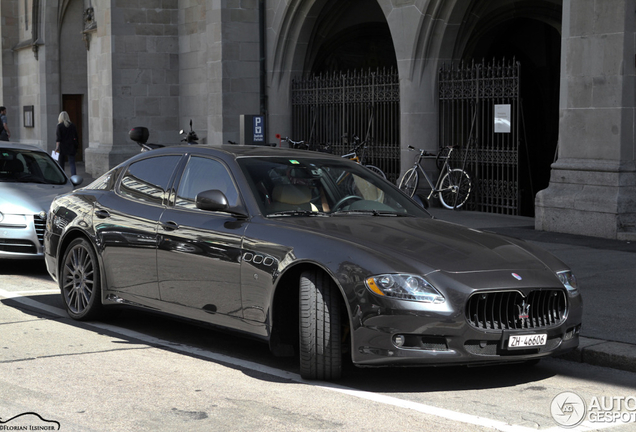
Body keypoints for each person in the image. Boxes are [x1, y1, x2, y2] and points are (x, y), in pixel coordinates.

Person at [55, 111, 79, 176]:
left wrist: (56, 148)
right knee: (72, 163)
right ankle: (74, 177)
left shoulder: (59, 126)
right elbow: (76, 136)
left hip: (62, 147)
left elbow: (58, 138)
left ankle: (62, 177)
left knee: (61, 164)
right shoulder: (72, 125)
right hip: (71, 146)